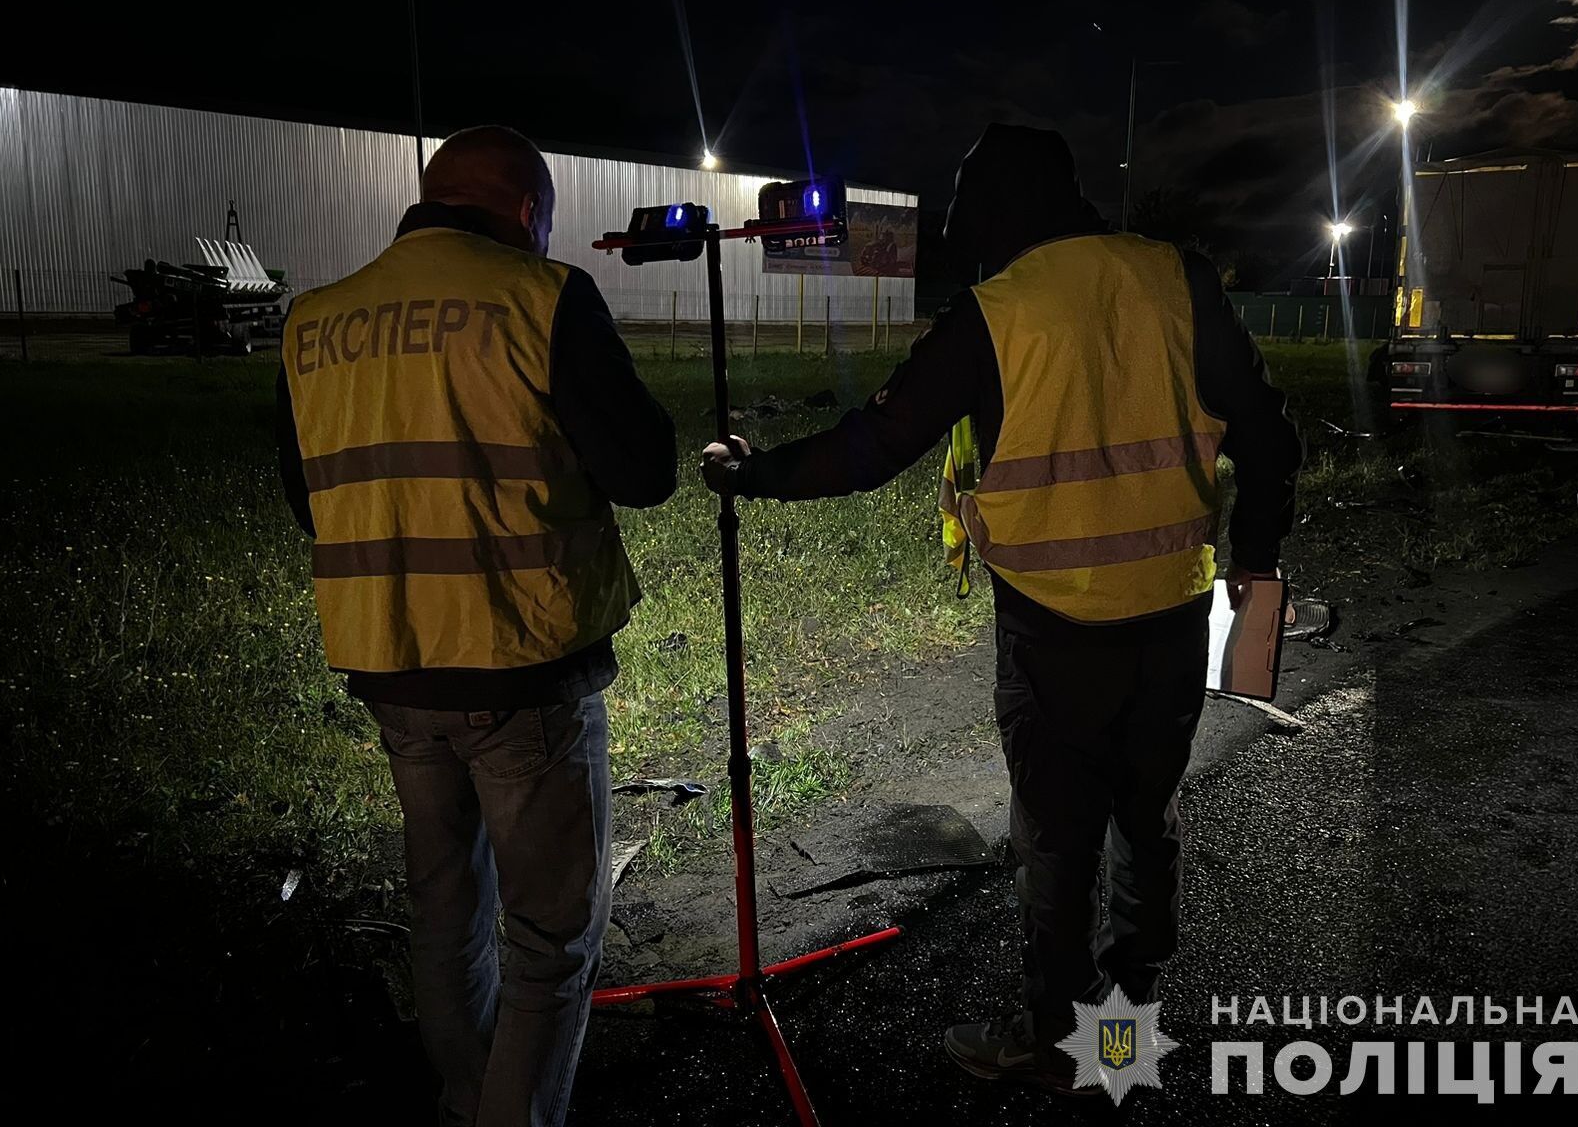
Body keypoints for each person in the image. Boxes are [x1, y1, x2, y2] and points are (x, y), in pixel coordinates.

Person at [701, 123, 1301, 1096]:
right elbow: (1269, 438)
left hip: (1054, 630)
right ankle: (1126, 1035)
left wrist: (748, 474)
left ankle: (1053, 1040)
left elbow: (874, 447)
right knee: (1145, 820)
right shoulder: (1173, 278)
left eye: (967, 207)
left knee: (1057, 842)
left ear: (996, 208)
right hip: (1172, 615)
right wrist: (1256, 574)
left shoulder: (998, 310)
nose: (959, 229)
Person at [276, 125, 676, 1127]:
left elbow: (307, 496)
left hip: (391, 666)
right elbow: (643, 470)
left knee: (443, 907)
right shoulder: (539, 296)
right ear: (527, 212)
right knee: (550, 939)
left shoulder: (316, 321)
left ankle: (466, 1098)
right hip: (521, 667)